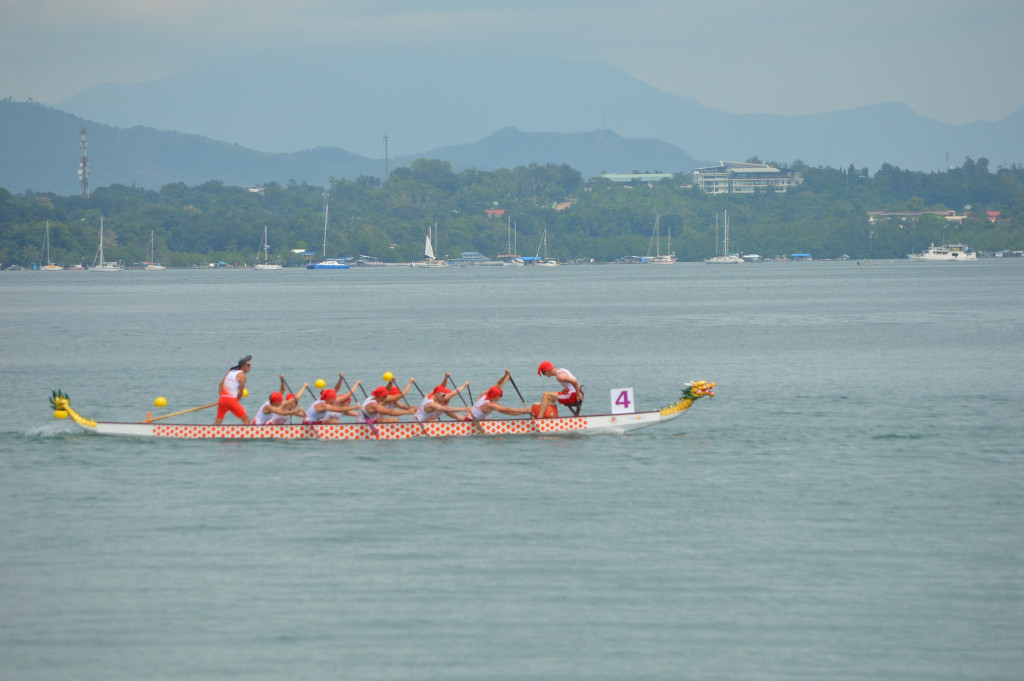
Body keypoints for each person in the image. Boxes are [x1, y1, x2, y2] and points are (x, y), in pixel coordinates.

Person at [465, 370, 532, 421]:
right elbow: (507, 410)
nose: (501, 397)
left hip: (469, 418)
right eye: (500, 395)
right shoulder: (490, 405)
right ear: (495, 397)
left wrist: (505, 376)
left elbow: (497, 385)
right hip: (470, 422)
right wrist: (524, 411)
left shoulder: (484, 394)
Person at [215, 355, 252, 425]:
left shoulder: (231, 371)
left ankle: (211, 433)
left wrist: (222, 398)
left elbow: (220, 384)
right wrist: (235, 402)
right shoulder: (243, 376)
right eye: (248, 365)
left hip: (222, 399)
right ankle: (241, 435)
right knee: (247, 420)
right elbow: (240, 394)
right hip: (231, 401)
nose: (250, 367)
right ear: (243, 366)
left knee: (217, 423)